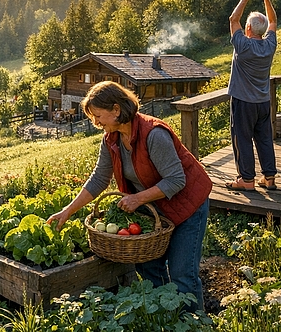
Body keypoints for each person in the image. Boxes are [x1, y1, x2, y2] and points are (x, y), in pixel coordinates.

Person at [47, 81, 212, 312]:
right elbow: (98, 180)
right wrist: (67, 211)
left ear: (116, 110)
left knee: (182, 274)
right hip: (156, 207)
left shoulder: (154, 134)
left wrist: (137, 199)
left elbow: (176, 180)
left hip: (187, 206)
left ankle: (195, 323)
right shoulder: (111, 140)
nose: (95, 122)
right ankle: (166, 317)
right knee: (147, 266)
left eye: (98, 115)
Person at [225, 0, 278, 191]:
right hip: (263, 102)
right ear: (263, 30)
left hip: (243, 103)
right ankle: (269, 178)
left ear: (247, 28)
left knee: (242, 140)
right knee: (264, 139)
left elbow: (233, 19)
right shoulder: (269, 45)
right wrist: (267, 0)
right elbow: (272, 20)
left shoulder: (242, 45)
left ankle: (246, 180)